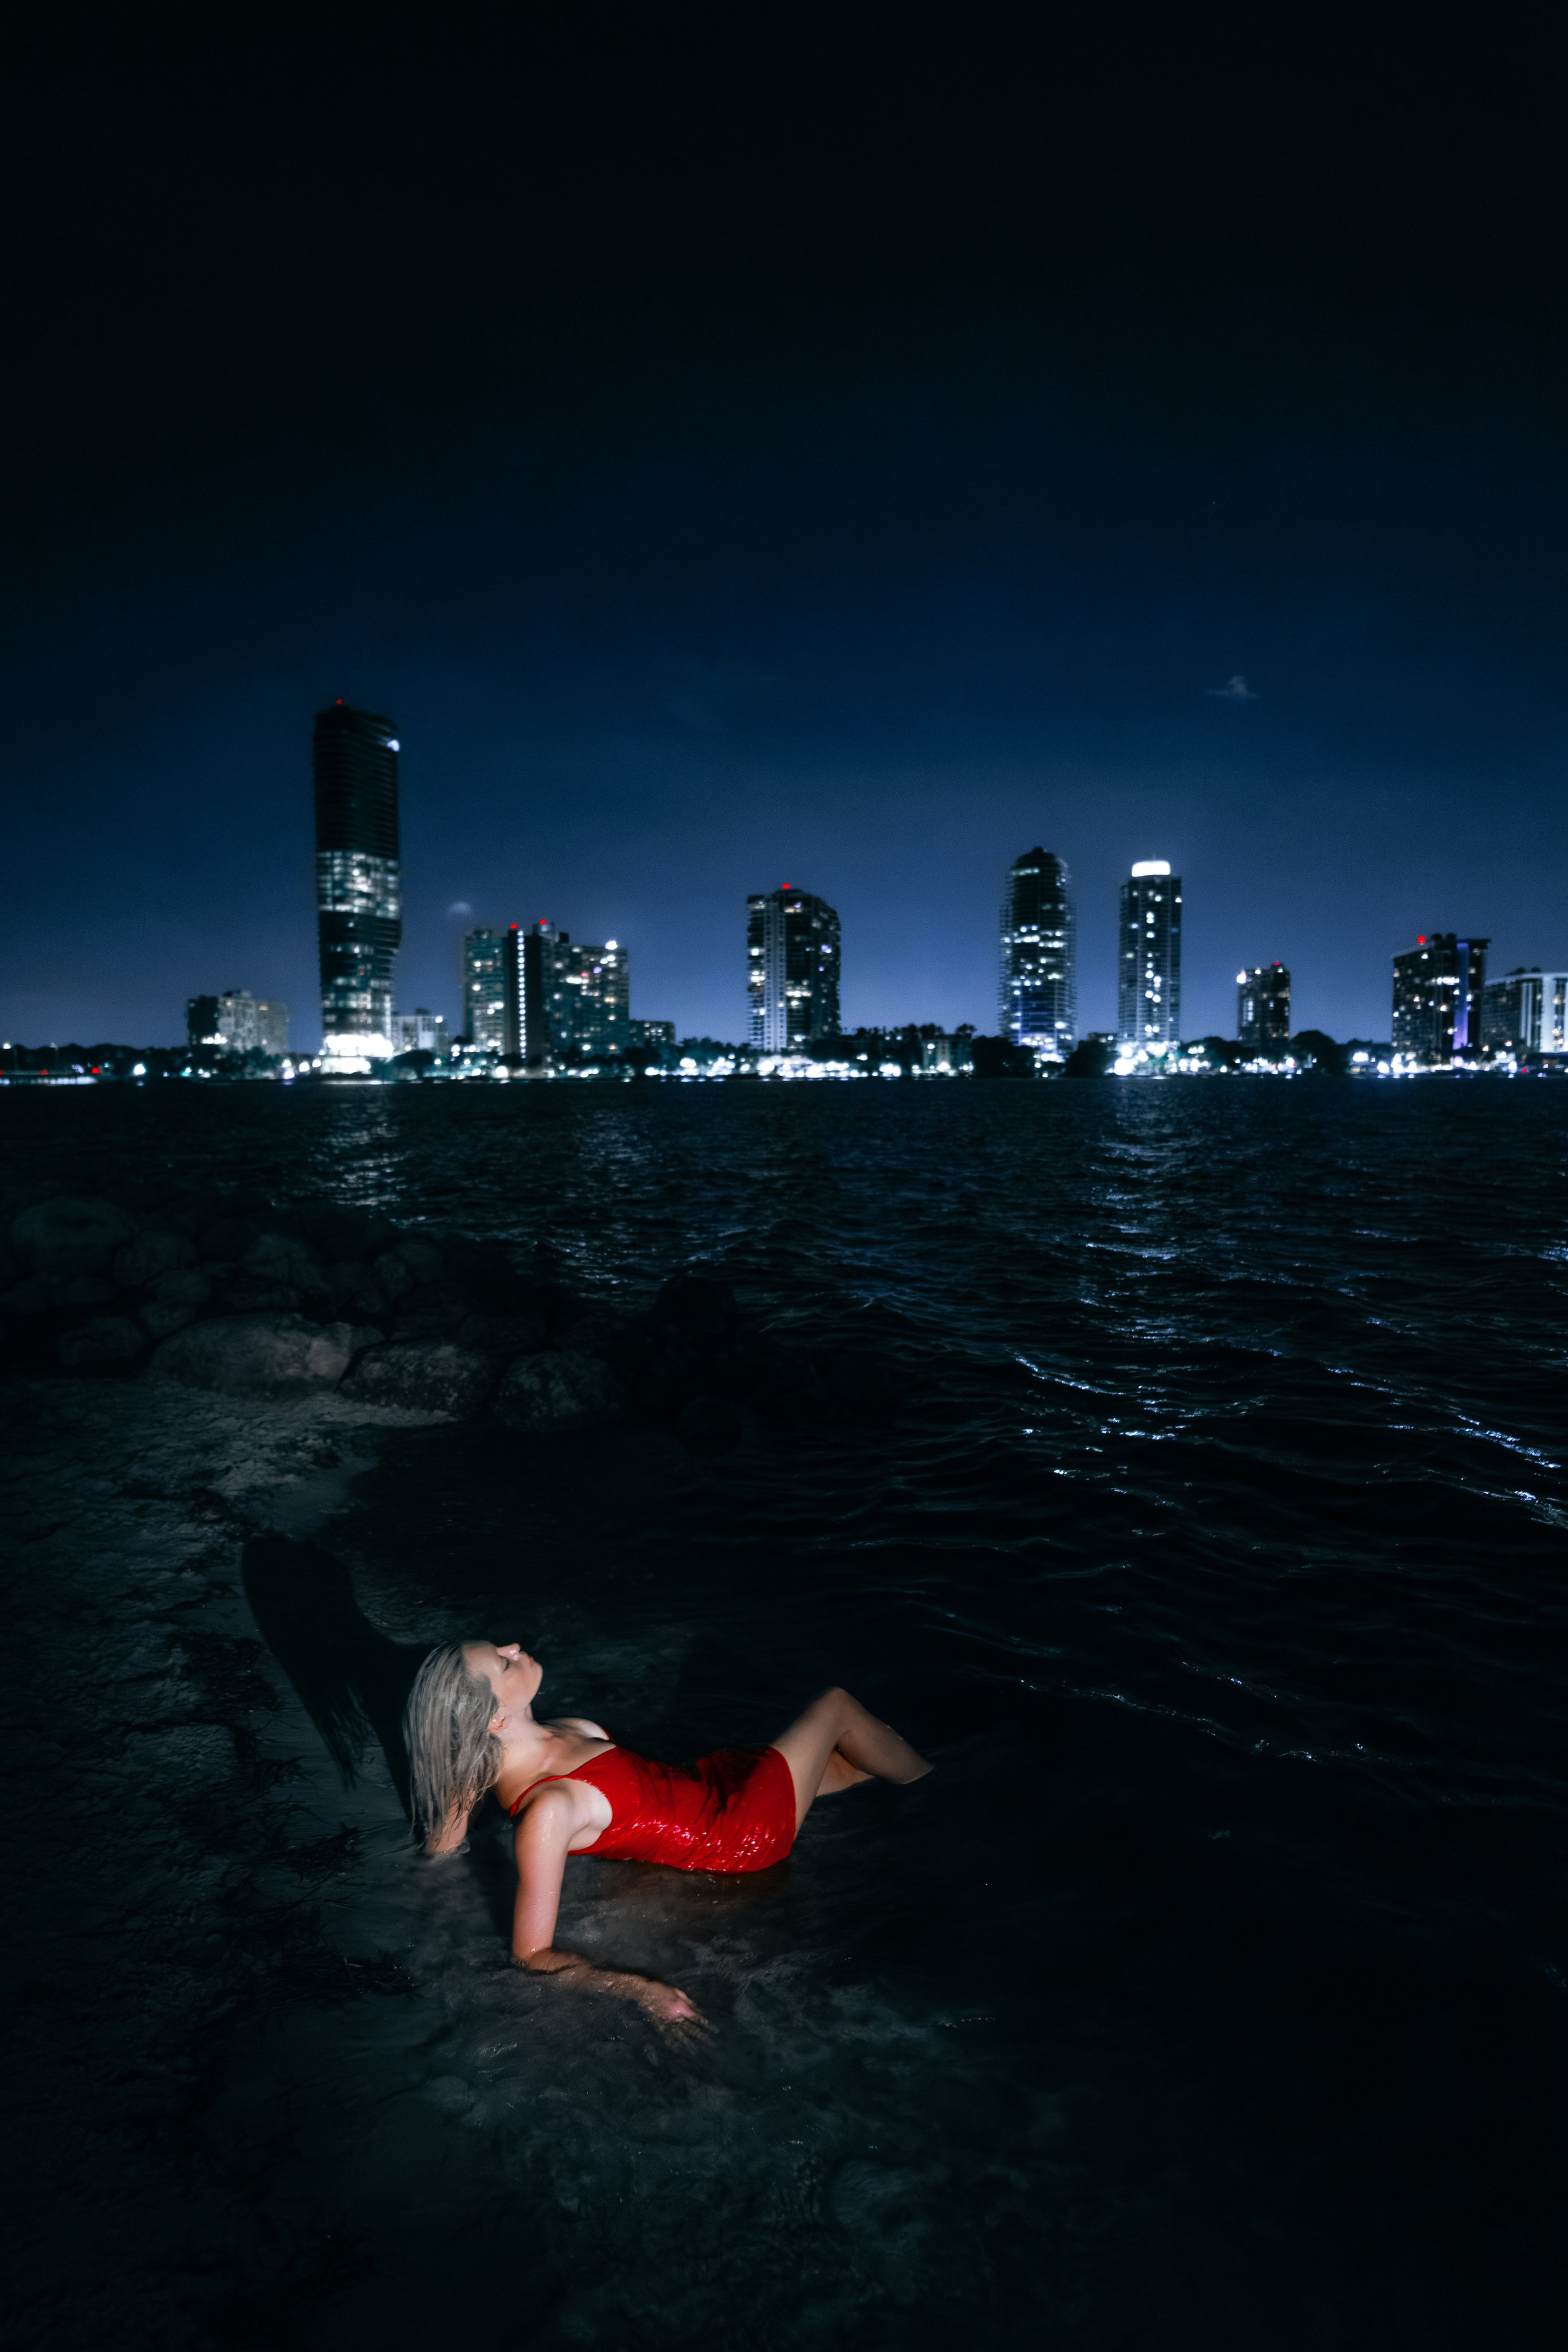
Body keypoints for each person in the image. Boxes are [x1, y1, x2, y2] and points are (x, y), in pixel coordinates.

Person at [402, 1641, 932, 2029]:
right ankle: (948, 1794)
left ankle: (932, 1779)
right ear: (495, 1719)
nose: (514, 1648)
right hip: (737, 1836)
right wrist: (640, 1991)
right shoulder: (549, 1811)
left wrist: (438, 1864)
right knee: (837, 1706)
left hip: (710, 1785)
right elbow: (532, 1955)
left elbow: (453, 1807)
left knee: (863, 1760)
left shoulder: (555, 1730)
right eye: (502, 1661)